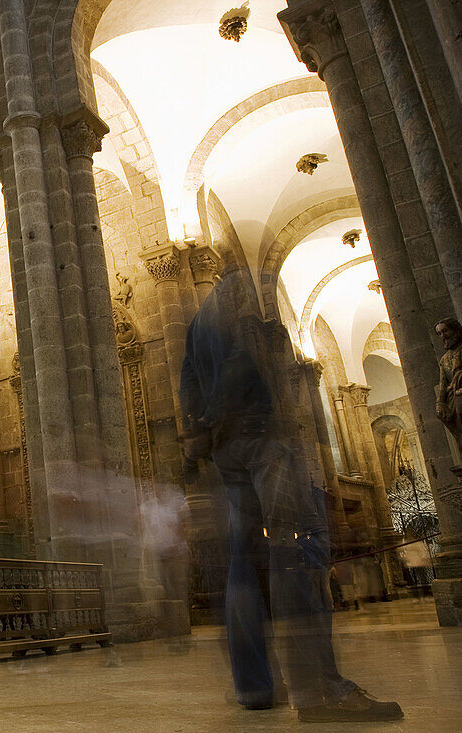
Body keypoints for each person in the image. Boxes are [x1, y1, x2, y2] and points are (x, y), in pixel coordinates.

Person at [179, 263, 403, 723]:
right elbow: (247, 376)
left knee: (244, 568)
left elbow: (189, 393)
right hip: (259, 443)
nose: (248, 298)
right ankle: (320, 691)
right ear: (230, 284)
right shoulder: (231, 319)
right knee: (296, 552)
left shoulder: (196, 329)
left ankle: (256, 687)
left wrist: (204, 433)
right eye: (243, 289)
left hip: (227, 452)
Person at [434, 316, 462, 449]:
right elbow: (442, 384)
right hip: (453, 399)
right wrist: (440, 402)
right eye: (439, 333)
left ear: (455, 330)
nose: (443, 336)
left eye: (445, 331)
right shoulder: (444, 360)